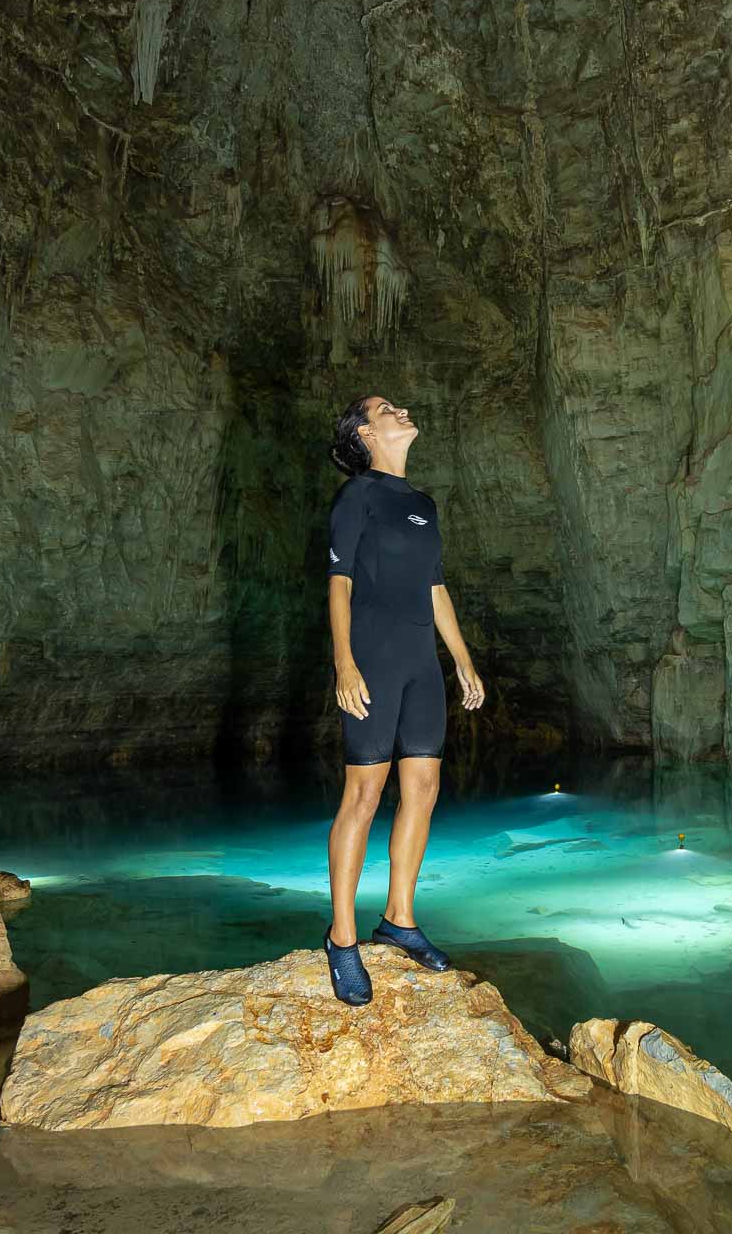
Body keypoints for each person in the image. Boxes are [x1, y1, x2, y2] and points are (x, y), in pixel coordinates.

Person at [320, 394, 486, 1006]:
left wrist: (462, 661)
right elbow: (338, 582)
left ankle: (399, 920)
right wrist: (345, 662)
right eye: (388, 408)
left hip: (420, 665)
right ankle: (342, 939)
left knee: (424, 787)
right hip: (372, 660)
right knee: (363, 794)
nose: (403, 411)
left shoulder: (421, 505)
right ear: (366, 431)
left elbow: (434, 586)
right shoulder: (357, 496)